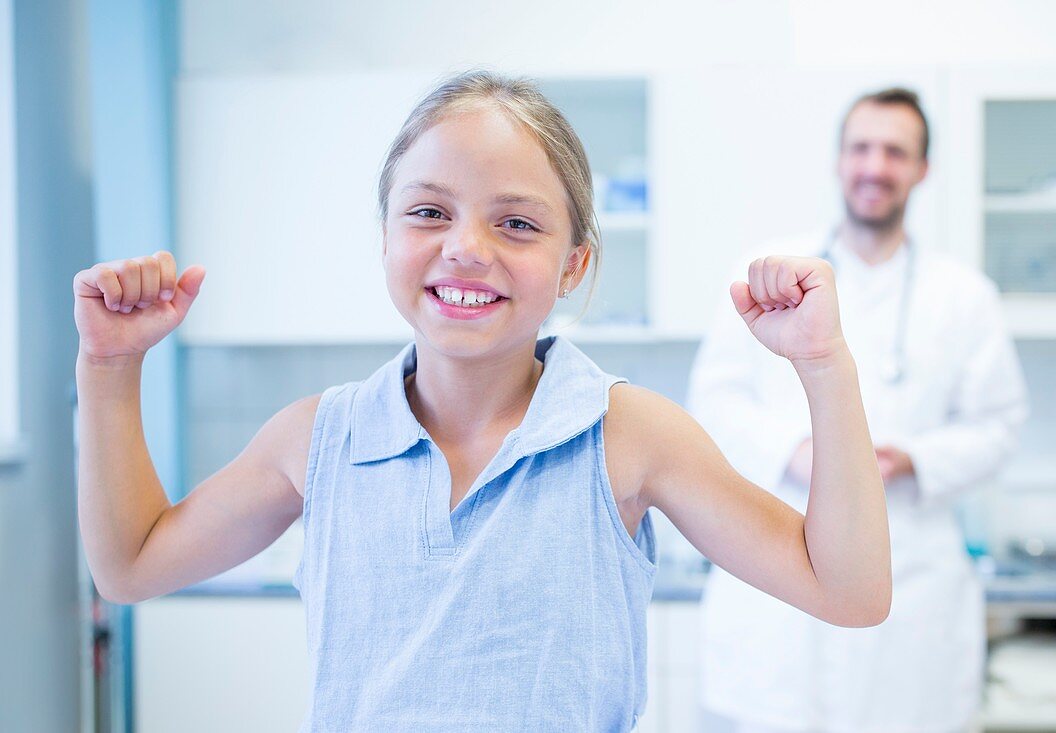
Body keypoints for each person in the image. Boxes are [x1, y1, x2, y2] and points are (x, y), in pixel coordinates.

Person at [73, 71, 890, 732]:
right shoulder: (318, 438)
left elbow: (848, 590)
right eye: (428, 211)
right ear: (386, 236)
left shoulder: (626, 434)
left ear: (575, 265)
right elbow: (131, 564)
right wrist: (110, 368)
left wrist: (823, 365)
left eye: (517, 223)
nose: (466, 247)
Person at [689, 88, 1029, 733]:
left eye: (895, 152)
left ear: (922, 169)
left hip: (913, 576)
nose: (875, 166)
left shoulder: (964, 296)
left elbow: (1000, 425)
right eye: (862, 148)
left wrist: (913, 461)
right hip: (777, 557)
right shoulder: (765, 274)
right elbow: (715, 398)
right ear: (839, 160)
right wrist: (800, 455)